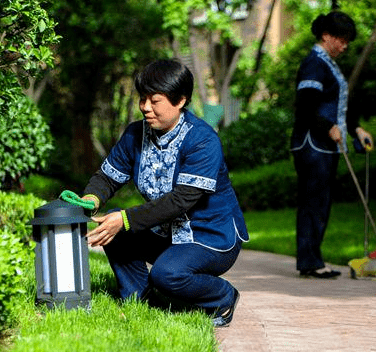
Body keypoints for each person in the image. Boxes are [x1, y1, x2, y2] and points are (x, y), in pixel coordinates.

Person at [80, 59, 249, 327]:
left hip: (210, 237)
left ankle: (222, 297)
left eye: (154, 100)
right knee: (113, 227)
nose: (145, 107)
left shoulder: (203, 141)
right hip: (166, 234)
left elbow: (182, 200)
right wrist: (91, 199)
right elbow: (107, 178)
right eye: (142, 99)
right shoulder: (135, 134)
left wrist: (125, 219)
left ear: (180, 100)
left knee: (167, 274)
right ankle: (141, 301)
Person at [290, 11, 374, 279]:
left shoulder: (329, 64)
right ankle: (310, 262)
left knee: (321, 202)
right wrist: (327, 127)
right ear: (326, 36)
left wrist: (356, 127)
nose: (345, 45)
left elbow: (337, 104)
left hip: (327, 146)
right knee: (313, 202)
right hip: (313, 145)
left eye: (348, 40)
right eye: (341, 38)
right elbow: (305, 105)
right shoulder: (314, 64)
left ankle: (314, 259)